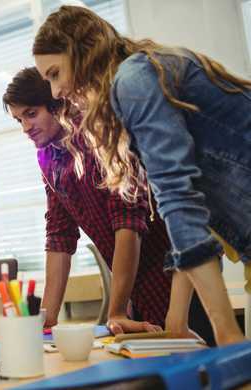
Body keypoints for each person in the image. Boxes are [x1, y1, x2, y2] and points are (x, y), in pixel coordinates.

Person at [32, 5, 251, 345]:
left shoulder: (133, 80)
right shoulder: (134, 82)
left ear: (82, 52)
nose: (56, 91)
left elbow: (180, 202)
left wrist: (226, 332)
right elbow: (193, 212)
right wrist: (176, 320)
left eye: (55, 73)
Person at [2, 67, 214, 344]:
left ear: (58, 103)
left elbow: (128, 220)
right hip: (136, 289)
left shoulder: (100, 134)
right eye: (19, 120)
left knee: (206, 367)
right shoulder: (48, 159)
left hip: (180, 274)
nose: (26, 127)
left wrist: (114, 310)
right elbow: (59, 235)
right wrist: (48, 320)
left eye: (32, 114)